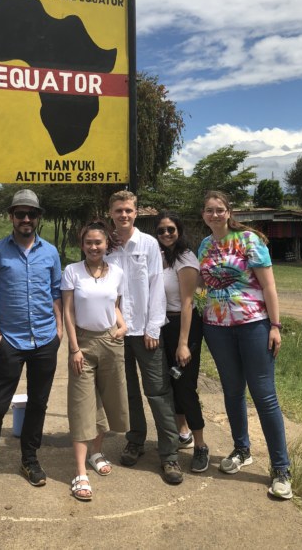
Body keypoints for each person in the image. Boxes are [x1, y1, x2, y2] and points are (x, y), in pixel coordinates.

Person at [0, 189, 62, 495]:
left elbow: (56, 293)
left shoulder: (51, 252)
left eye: (31, 214)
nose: (26, 219)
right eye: (20, 213)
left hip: (45, 339)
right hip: (10, 341)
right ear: (11, 217)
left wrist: (59, 331)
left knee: (38, 403)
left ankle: (29, 460)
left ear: (38, 217)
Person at [198, 190, 292, 499]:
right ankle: (242, 449)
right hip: (217, 328)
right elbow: (201, 284)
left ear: (229, 212)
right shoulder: (205, 245)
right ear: (203, 215)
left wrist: (275, 326)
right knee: (232, 391)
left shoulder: (249, 240)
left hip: (253, 325)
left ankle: (281, 468)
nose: (214, 214)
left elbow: (269, 285)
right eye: (209, 210)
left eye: (219, 209)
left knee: (264, 395)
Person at [106, 191, 183, 485]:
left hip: (145, 332)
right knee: (128, 391)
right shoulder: (108, 246)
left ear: (136, 213)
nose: (123, 215)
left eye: (128, 210)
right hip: (117, 331)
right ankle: (135, 439)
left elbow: (156, 287)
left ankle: (169, 454)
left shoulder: (149, 244)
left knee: (158, 392)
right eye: (118, 210)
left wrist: (153, 328)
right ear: (111, 213)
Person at [62, 221, 129, 501]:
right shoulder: (72, 271)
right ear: (82, 245)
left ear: (106, 245)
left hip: (111, 342)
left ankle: (96, 452)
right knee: (81, 405)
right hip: (83, 343)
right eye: (88, 242)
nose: (93, 247)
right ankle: (80, 472)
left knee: (106, 400)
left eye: (98, 242)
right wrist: (74, 348)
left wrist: (122, 326)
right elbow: (68, 311)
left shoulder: (117, 273)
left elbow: (115, 306)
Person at [156, 210, 209, 473]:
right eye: (161, 230)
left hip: (183, 325)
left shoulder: (185, 258)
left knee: (186, 387)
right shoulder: (161, 257)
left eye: (171, 229)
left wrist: (183, 343)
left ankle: (200, 445)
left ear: (179, 231)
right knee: (171, 383)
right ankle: (183, 432)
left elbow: (188, 302)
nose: (166, 234)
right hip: (164, 325)